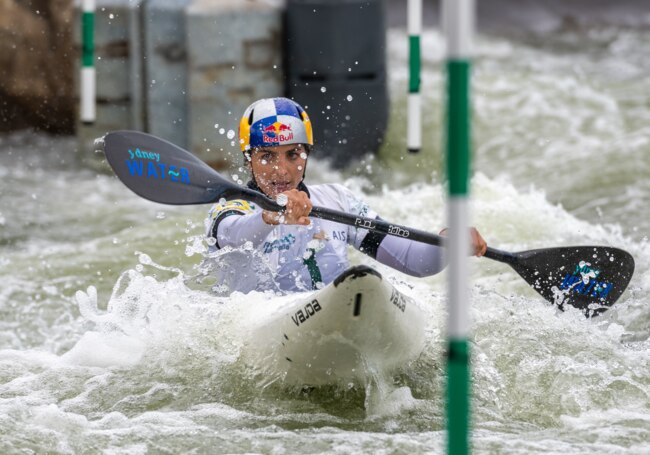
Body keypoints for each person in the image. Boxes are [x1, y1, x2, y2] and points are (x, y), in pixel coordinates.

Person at [205, 97, 486, 293]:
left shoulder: (336, 200)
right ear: (248, 160)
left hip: (331, 317)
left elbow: (413, 260)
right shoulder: (230, 207)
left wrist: (446, 244)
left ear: (307, 154)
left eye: (293, 154)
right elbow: (234, 236)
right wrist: (271, 216)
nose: (282, 170)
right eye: (267, 156)